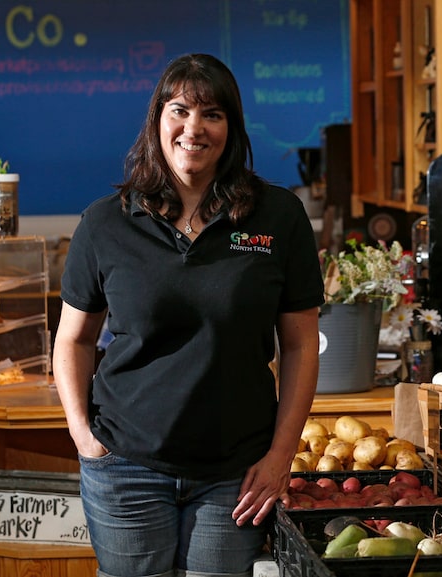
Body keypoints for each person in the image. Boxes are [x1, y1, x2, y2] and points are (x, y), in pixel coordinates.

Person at [52, 53, 324, 577]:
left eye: (212, 114)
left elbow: (299, 344)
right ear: (157, 119)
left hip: (236, 471)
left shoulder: (277, 216)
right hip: (125, 464)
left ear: (232, 128)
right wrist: (83, 435)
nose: (193, 128)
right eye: (179, 110)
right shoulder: (106, 223)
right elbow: (73, 340)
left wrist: (280, 455)